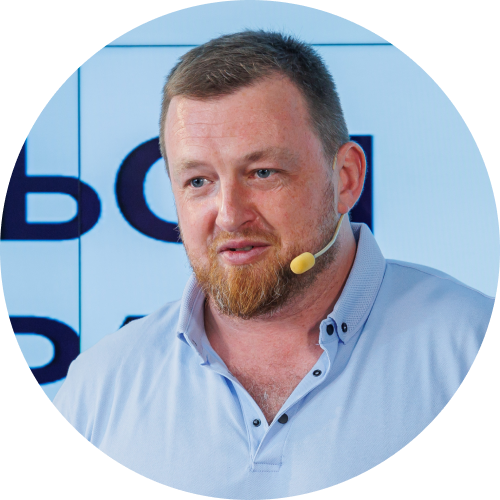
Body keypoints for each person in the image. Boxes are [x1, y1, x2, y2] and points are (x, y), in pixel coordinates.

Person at [53, 31, 494, 496]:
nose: (229, 214)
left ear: (346, 179)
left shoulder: (466, 345)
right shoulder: (102, 384)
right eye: (199, 181)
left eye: (263, 173)